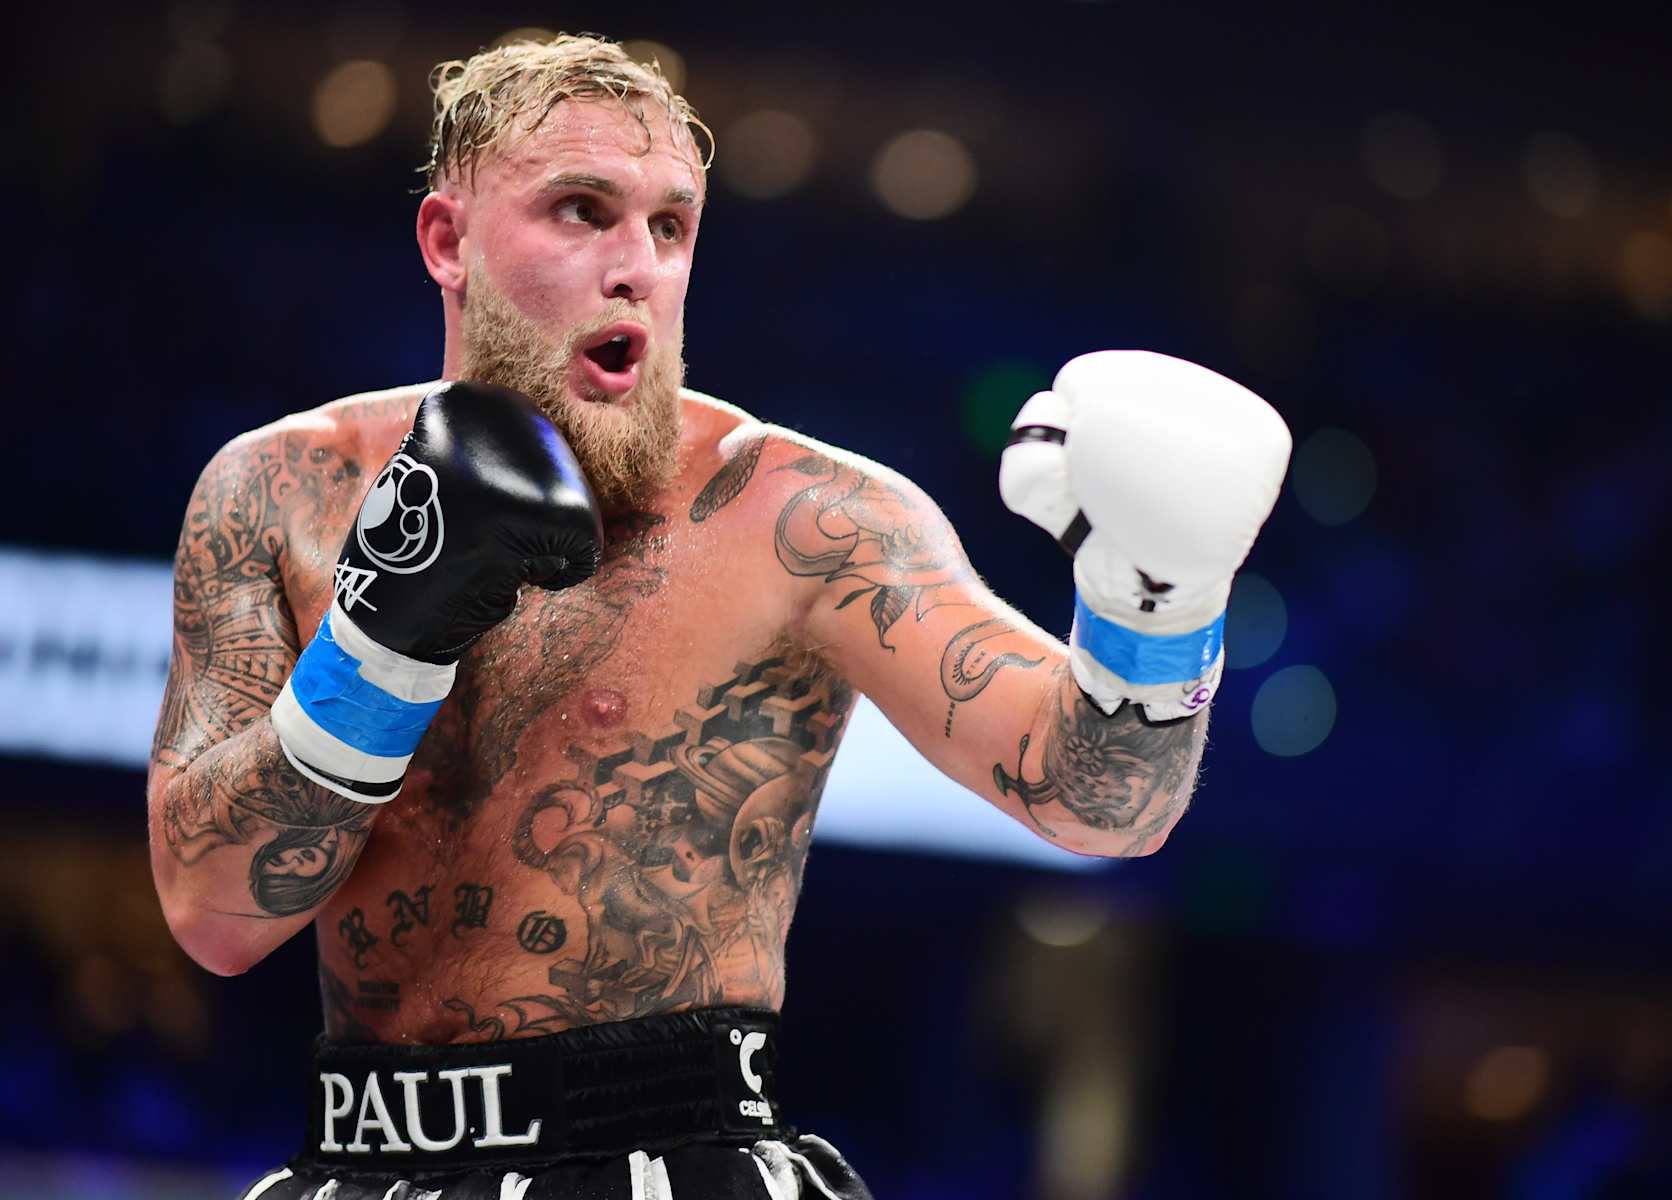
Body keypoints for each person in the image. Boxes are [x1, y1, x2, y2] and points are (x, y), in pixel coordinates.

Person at [146, 34, 1290, 1200]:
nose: (635, 263)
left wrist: (1158, 604)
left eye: (669, 226)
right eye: (581, 211)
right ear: (449, 242)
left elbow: (1101, 801)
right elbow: (213, 914)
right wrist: (381, 640)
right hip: (361, 1163)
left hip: (680, 1162)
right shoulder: (280, 494)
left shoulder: (806, 519)